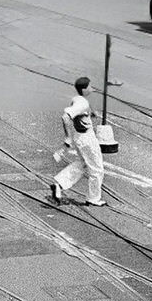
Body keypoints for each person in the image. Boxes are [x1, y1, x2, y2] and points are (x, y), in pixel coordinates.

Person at [49, 76, 106, 207]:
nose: (92, 89)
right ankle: (94, 198)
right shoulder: (82, 103)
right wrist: (67, 136)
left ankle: (59, 184)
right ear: (84, 89)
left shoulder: (77, 99)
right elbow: (66, 117)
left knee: (83, 164)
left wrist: (90, 113)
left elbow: (81, 112)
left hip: (80, 137)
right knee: (97, 169)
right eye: (90, 87)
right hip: (87, 139)